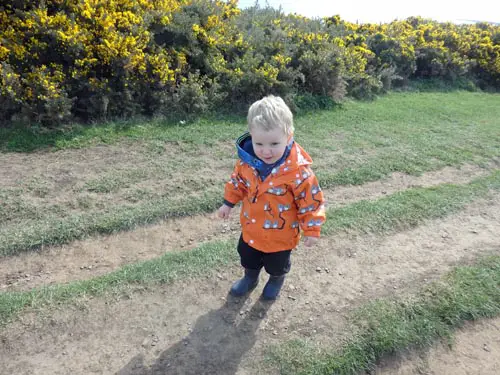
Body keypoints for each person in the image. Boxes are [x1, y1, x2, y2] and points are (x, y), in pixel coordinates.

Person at [218, 95, 326, 300]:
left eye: (275, 143)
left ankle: (276, 279)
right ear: (251, 136)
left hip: (281, 237)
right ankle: (250, 277)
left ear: (289, 135)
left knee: (277, 264)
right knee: (248, 256)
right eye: (259, 143)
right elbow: (238, 182)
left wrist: (311, 229)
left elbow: (311, 201)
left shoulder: (299, 173)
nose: (266, 151)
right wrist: (228, 203)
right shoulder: (247, 163)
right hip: (252, 228)